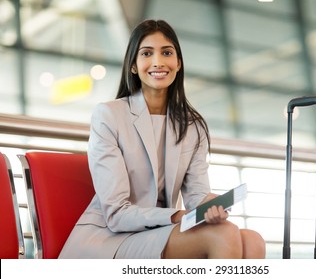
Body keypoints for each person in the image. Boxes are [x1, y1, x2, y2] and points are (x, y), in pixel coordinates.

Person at [59, 19, 266, 259]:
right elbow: (116, 214)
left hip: (162, 231)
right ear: (134, 66)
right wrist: (178, 216)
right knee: (223, 234)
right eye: (147, 53)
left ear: (178, 63)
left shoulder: (192, 126)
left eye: (167, 52)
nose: (158, 62)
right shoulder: (109, 115)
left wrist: (212, 206)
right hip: (109, 239)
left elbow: (197, 196)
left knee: (253, 241)